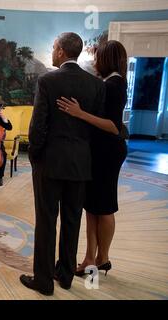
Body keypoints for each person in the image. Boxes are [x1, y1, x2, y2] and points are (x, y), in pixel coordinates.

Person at [20, 32, 105, 296]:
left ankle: (43, 280)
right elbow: (95, 127)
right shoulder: (96, 85)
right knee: (72, 220)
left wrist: (34, 156)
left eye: (54, 46)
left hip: (49, 162)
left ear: (60, 52)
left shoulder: (47, 80)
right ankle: (66, 276)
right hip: (80, 163)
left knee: (46, 221)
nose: (53, 50)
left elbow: (38, 125)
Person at [57, 40, 129, 277]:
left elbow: (113, 126)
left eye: (98, 56)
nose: (95, 61)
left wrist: (80, 114)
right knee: (92, 206)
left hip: (108, 152)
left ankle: (102, 258)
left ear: (107, 58)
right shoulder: (110, 82)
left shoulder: (115, 84)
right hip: (99, 152)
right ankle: (90, 258)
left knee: (105, 207)